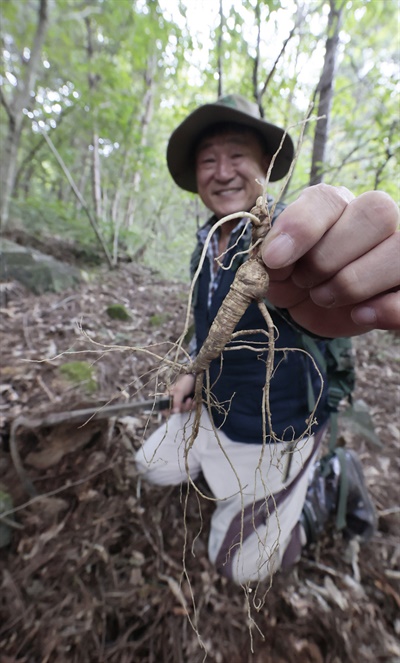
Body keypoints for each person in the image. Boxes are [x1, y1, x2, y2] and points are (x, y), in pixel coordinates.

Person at [135, 94, 400, 585]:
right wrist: (191, 371)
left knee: (238, 567)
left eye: (237, 155)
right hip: (215, 409)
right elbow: (207, 326)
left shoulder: (283, 241)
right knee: (149, 466)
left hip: (280, 428)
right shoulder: (205, 243)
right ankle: (221, 469)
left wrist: (351, 259)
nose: (222, 171)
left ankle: (320, 482)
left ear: (264, 168)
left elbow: (327, 265)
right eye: (207, 160)